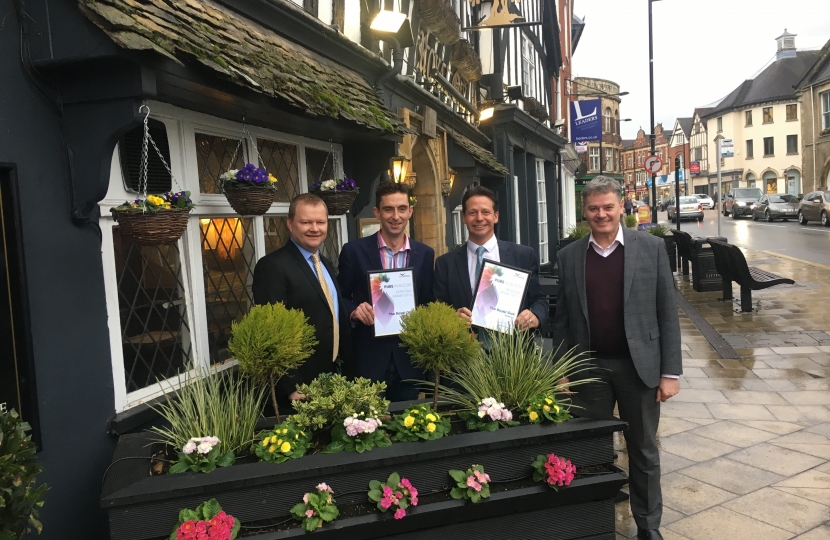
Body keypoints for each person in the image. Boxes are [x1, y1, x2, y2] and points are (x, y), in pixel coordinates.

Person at [552, 176, 681, 540]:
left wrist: (669, 373)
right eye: (593, 208)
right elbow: (562, 320)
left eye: (608, 206)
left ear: (621, 207)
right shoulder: (570, 256)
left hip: (639, 368)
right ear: (584, 211)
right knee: (590, 448)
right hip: (587, 368)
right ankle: (593, 521)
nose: (601, 214)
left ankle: (648, 525)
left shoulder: (651, 249)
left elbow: (667, 313)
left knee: (643, 450)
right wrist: (562, 371)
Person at [338, 182, 435, 402]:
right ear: (377, 213)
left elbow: (428, 300)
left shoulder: (425, 254)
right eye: (388, 209)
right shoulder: (354, 251)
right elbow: (339, 296)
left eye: (402, 208)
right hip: (368, 359)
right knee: (367, 428)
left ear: (410, 211)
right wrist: (354, 311)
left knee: (408, 426)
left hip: (409, 360)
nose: (395, 216)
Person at [252, 193, 352, 404]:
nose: (314, 228)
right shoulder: (272, 267)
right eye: (306, 222)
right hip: (301, 387)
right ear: (290, 224)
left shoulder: (325, 263)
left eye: (320, 222)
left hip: (333, 376)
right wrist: (291, 386)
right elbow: (272, 331)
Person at [434, 186, 547, 332]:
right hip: (465, 350)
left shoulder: (523, 256)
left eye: (485, 212)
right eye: (472, 213)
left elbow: (539, 300)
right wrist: (452, 318)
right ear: (464, 218)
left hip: (512, 350)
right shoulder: (445, 264)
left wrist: (535, 315)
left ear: (496, 216)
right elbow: (437, 309)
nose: (479, 218)